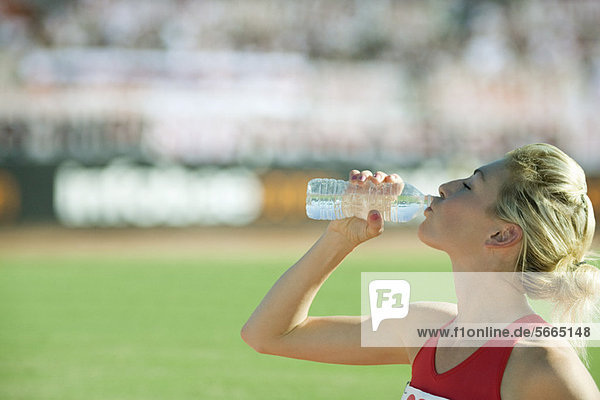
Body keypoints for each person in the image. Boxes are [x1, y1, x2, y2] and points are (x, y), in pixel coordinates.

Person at [241, 143, 600, 399]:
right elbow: (269, 335)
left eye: (471, 185)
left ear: (502, 233)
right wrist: (339, 238)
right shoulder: (422, 328)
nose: (446, 187)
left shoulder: (542, 366)